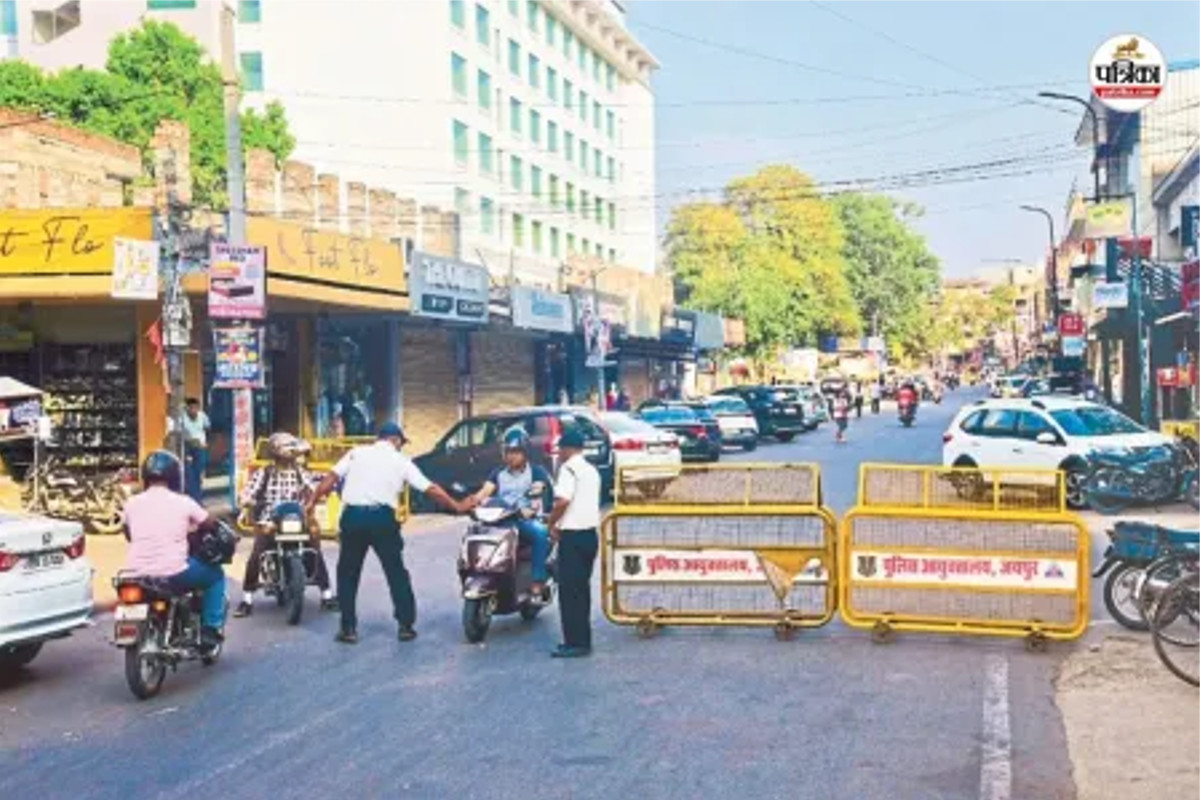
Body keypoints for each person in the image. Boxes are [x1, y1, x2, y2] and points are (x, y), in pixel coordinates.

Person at [308, 423, 471, 644]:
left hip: (353, 517)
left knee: (347, 572)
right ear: (395, 440)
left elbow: (330, 479)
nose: (401, 447)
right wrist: (456, 505)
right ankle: (405, 626)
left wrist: (312, 502)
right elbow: (430, 488)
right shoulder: (401, 461)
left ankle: (348, 628)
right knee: (395, 572)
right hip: (382, 519)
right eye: (401, 443)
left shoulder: (356, 453)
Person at [123, 450, 226, 648]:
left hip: (135, 575)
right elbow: (209, 523)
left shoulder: (131, 504)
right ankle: (210, 629)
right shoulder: (184, 502)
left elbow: (128, 534)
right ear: (175, 477)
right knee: (215, 575)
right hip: (173, 574)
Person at [233, 432, 338, 618]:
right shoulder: (264, 473)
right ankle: (247, 599)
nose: (292, 455)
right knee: (258, 553)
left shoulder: (299, 472)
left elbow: (315, 485)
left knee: (314, 548)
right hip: (269, 520)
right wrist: (246, 500)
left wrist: (324, 490)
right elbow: (247, 492)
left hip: (296, 519)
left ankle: (327, 595)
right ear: (276, 452)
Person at [471, 427, 554, 601]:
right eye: (508, 452)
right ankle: (479, 571)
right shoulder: (498, 473)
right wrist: (473, 503)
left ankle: (537, 583)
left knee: (539, 532)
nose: (511, 456)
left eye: (515, 452)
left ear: (525, 453)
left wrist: (530, 509)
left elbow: (538, 495)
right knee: (473, 531)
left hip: (522, 520)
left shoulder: (536, 472)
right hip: (500, 519)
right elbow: (484, 492)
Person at [546, 426, 602, 658]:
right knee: (582, 591)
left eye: (560, 449)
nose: (558, 453)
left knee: (569, 593)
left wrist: (551, 524)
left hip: (573, 536)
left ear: (568, 449)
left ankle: (575, 643)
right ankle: (582, 639)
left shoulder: (568, 469)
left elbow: (562, 501)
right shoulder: (591, 470)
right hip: (590, 535)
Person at [181, 398, 210, 504]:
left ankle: (197, 499)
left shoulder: (202, 416)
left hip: (200, 448)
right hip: (188, 448)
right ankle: (193, 499)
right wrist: (190, 440)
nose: (194, 410)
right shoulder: (182, 418)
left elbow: (207, 428)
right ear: (187, 408)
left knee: (198, 474)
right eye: (191, 408)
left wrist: (205, 442)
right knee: (189, 474)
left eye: (196, 408)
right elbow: (181, 432)